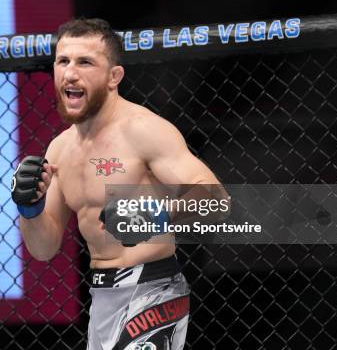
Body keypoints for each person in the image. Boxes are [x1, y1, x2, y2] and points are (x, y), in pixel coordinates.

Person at [11, 18, 227, 350]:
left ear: (114, 77)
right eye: (63, 61)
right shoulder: (60, 150)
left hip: (153, 289)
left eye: (85, 62)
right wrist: (30, 208)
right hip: (102, 297)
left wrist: (154, 216)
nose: (70, 73)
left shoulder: (142, 130)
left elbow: (216, 199)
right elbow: (43, 249)